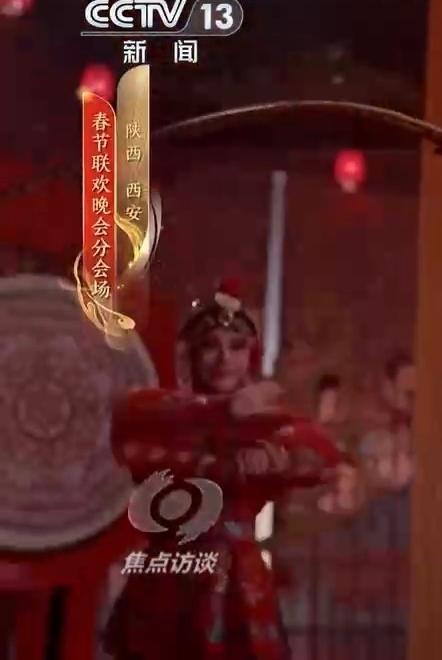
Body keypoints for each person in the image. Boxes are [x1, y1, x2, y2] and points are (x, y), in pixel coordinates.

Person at [104, 279, 343, 660]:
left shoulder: (263, 424)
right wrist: (226, 420)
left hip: (236, 583)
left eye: (236, 347)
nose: (223, 359)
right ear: (191, 354)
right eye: (210, 346)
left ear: (251, 355)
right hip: (169, 573)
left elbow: (324, 458)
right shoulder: (161, 413)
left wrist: (278, 457)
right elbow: (130, 431)